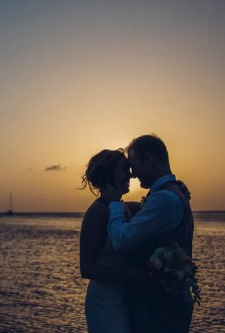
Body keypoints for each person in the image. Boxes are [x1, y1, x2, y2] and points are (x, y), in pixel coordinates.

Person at [103, 134, 194, 333]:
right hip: (167, 304)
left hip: (160, 309)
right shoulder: (169, 195)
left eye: (134, 166)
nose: (133, 174)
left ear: (150, 160)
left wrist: (113, 204)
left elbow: (121, 239)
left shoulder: (164, 200)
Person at [79, 149, 148, 333]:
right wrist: (129, 275)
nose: (130, 176)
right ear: (109, 173)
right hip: (104, 301)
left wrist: (177, 187)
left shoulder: (125, 208)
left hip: (124, 297)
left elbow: (153, 205)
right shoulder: (97, 212)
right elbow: (86, 268)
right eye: (124, 170)